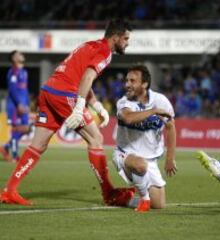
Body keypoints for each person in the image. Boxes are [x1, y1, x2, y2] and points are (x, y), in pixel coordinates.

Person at [0, 19, 134, 206]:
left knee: (38, 144)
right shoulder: (105, 52)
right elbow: (87, 77)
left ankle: (9, 190)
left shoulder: (90, 45)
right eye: (126, 39)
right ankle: (109, 193)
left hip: (48, 91)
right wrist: (79, 108)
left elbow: (82, 77)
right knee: (96, 138)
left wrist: (97, 106)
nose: (128, 43)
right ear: (116, 37)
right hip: (65, 94)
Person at [112, 65, 177, 212]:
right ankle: (144, 200)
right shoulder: (124, 102)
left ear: (144, 84)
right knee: (140, 165)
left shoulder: (161, 100)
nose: (127, 84)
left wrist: (169, 158)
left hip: (150, 159)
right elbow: (128, 118)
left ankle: (123, 198)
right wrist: (153, 111)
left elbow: (171, 127)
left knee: (159, 205)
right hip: (125, 155)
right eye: (127, 80)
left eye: (132, 81)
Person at [0, 51, 31, 162]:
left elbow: (25, 90)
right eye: (18, 54)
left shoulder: (24, 72)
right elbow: (12, 89)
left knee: (26, 129)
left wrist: (27, 104)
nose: (22, 54)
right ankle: (14, 156)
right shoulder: (13, 71)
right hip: (15, 106)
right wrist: (18, 104)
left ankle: (6, 147)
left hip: (23, 105)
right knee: (16, 129)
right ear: (14, 58)